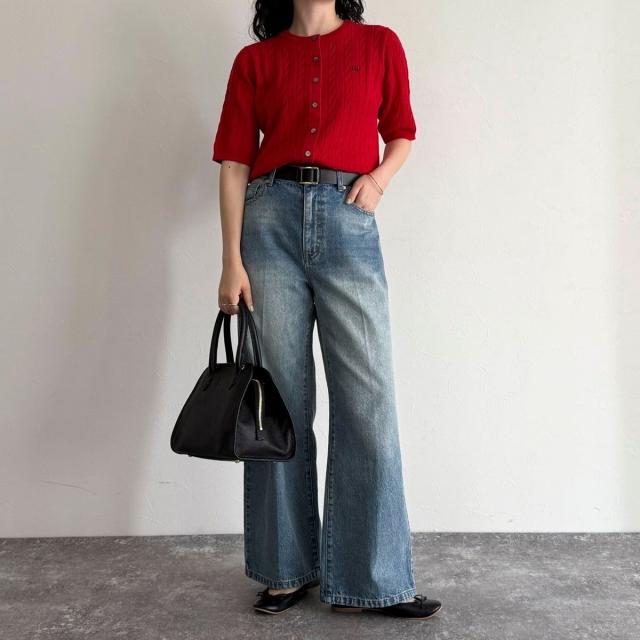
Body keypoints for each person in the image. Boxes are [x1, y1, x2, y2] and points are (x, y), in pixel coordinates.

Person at [211, 0, 442, 620]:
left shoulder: (379, 44)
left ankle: (377, 578)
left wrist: (379, 179)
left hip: (348, 217)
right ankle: (284, 570)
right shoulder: (256, 61)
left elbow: (402, 131)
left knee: (368, 398)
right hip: (268, 226)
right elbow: (234, 162)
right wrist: (231, 260)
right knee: (280, 402)